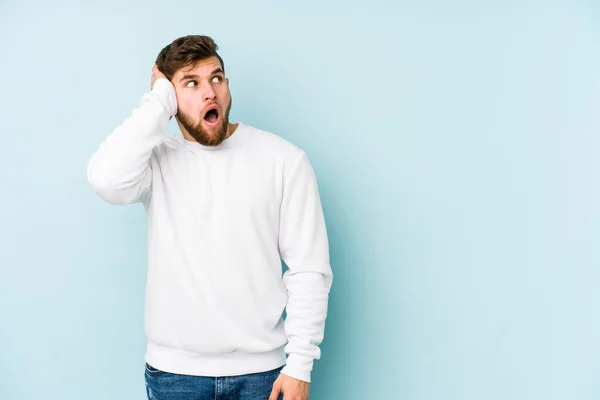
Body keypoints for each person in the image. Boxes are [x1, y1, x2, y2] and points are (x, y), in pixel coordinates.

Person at [86, 34, 333, 400]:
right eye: (191, 83)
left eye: (216, 78)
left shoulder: (283, 160)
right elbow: (105, 179)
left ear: (227, 85)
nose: (209, 93)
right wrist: (157, 101)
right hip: (175, 377)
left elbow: (308, 269)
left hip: (263, 375)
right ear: (171, 97)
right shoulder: (156, 161)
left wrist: (300, 364)